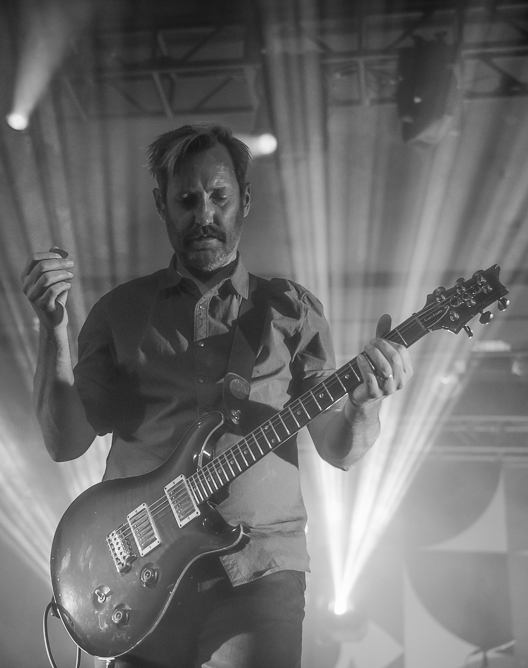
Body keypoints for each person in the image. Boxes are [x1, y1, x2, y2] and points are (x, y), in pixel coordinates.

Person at [21, 123, 412, 668]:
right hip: (141, 567)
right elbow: (65, 442)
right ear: (162, 204)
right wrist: (52, 329)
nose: (204, 214)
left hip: (259, 566)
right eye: (186, 199)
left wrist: (364, 404)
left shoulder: (292, 311)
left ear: (244, 201)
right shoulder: (121, 312)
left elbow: (339, 449)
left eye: (219, 197)